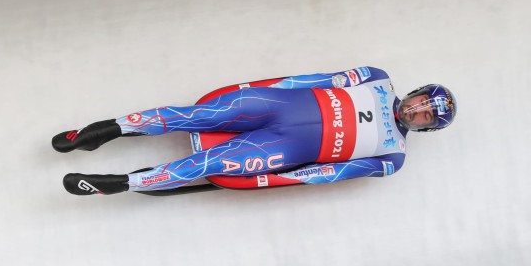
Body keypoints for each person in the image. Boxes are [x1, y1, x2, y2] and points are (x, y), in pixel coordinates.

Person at [52, 67, 456, 195]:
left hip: (282, 146)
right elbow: (315, 79)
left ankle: (118, 183)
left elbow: (331, 173)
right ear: (416, 92)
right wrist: (268, 89)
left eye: (424, 116)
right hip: (277, 105)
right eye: (421, 102)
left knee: (207, 163)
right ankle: (101, 131)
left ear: (424, 129)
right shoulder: (376, 78)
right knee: (193, 116)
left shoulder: (391, 158)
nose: (416, 110)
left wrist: (282, 176)